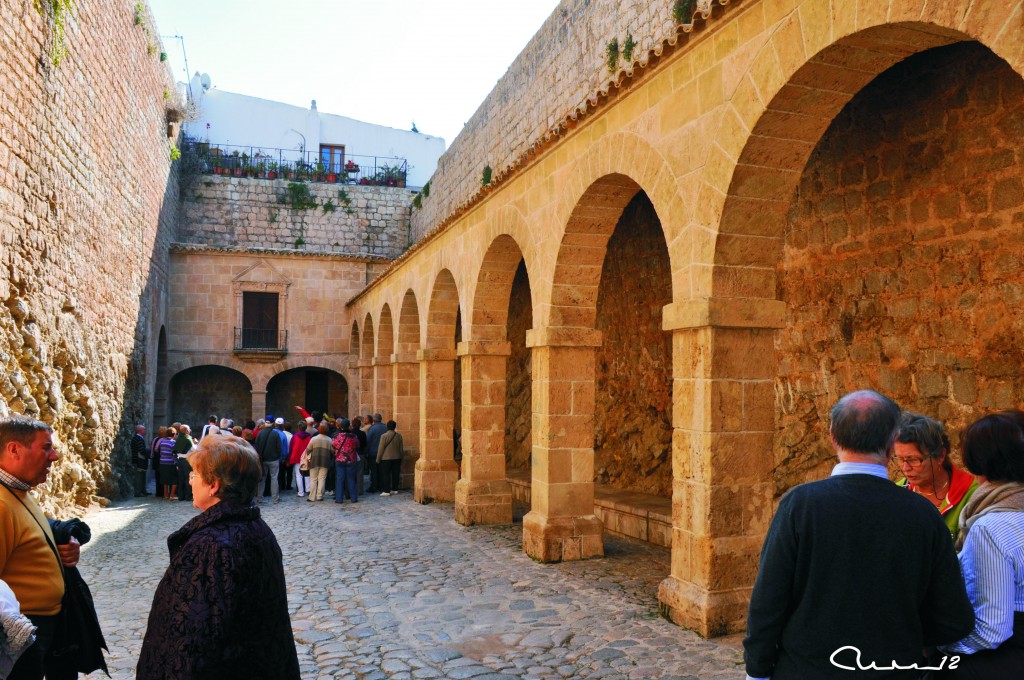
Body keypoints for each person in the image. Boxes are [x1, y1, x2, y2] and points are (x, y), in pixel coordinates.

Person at [743, 390, 974, 679]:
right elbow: (954, 619)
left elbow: (768, 601)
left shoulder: (799, 506)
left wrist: (758, 670)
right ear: (892, 445)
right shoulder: (923, 515)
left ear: (832, 437)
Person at [136, 434, 300, 679]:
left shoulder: (211, 545)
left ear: (213, 485)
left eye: (194, 475)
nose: (190, 481)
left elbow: (193, 640)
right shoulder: (256, 528)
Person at [928, 413, 1024, 677]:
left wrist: (940, 648)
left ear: (978, 460)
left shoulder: (990, 527)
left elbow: (993, 628)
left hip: (1007, 655)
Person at [0, 416, 84, 680]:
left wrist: (66, 544)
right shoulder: (1, 503)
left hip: (46, 624)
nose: (55, 456)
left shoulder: (19, 491)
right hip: (21, 631)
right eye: (46, 448)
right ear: (14, 449)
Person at [895, 412, 978, 541]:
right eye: (900, 459)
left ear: (940, 456)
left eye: (914, 460)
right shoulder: (898, 492)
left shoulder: (970, 496)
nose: (905, 468)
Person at [253, 416, 282, 504]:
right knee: (274, 478)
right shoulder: (275, 434)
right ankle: (275, 498)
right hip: (273, 459)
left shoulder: (260, 433)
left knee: (262, 479)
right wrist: (277, 456)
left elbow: (257, 446)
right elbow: (279, 447)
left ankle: (259, 498)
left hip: (263, 459)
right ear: (273, 423)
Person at [332, 419, 360, 504]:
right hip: (350, 459)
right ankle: (353, 498)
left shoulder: (337, 436)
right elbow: (357, 445)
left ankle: (339, 498)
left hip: (340, 459)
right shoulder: (353, 436)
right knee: (351, 479)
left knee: (340, 479)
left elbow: (333, 445)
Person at [305, 423, 334, 502]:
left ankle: (311, 497)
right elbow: (332, 451)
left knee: (313, 479)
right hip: (325, 461)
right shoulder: (329, 439)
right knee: (322, 479)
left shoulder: (313, 439)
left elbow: (308, 450)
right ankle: (319, 496)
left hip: (314, 461)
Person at [376, 420, 404, 496]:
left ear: (387, 427)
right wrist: (402, 457)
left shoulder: (383, 436)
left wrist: (378, 459)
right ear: (394, 427)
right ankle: (395, 489)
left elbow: (381, 449)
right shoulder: (399, 436)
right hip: (397, 458)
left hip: (386, 458)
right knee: (395, 474)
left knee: (386, 474)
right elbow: (401, 448)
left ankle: (386, 490)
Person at [287, 422, 311, 497]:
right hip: (306, 457)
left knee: (298, 475)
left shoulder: (294, 437)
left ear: (298, 427)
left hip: (297, 457)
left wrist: (289, 459)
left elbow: (291, 448)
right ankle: (308, 490)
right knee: (307, 474)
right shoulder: (309, 437)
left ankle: (300, 492)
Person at [174, 424, 195, 502]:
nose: (189, 431)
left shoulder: (178, 438)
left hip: (180, 459)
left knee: (181, 478)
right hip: (187, 460)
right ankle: (188, 496)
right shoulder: (188, 439)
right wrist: (195, 442)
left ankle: (181, 496)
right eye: (189, 429)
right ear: (186, 431)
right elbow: (194, 449)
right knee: (188, 478)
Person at [365, 414, 387, 493]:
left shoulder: (372, 428)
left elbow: (368, 440)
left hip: (373, 453)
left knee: (374, 471)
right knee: (381, 470)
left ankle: (374, 486)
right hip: (383, 453)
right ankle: (381, 486)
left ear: (374, 420)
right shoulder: (385, 427)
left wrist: (366, 451)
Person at [158, 426, 178, 500]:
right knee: (174, 480)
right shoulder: (173, 442)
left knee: (165, 479)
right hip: (170, 463)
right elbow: (174, 454)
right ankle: (172, 495)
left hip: (162, 462)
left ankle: (166, 494)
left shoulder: (162, 442)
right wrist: (176, 463)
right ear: (174, 434)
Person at [131, 424, 150, 497]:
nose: (145, 431)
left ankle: (143, 491)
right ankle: (138, 492)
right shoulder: (138, 438)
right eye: (144, 429)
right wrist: (150, 452)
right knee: (139, 477)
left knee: (142, 476)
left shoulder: (138, 438)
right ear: (140, 430)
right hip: (139, 460)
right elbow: (141, 450)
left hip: (140, 460)